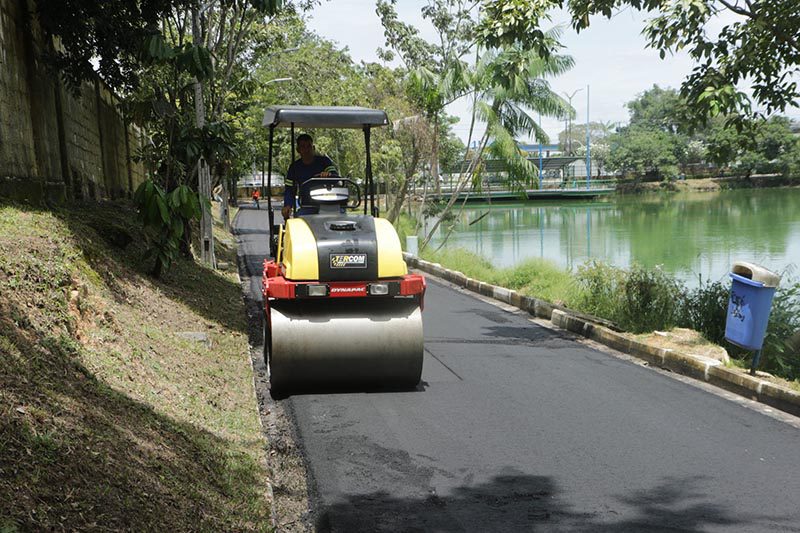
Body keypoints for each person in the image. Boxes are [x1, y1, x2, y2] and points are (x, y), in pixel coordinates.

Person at [282, 133, 337, 219]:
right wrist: (288, 205)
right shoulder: (294, 167)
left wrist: (329, 175)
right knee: (300, 220)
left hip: (328, 204)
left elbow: (335, 178)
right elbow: (290, 189)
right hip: (308, 206)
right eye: (303, 147)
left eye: (309, 146)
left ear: (313, 148)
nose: (306, 150)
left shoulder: (324, 162)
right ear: (298, 150)